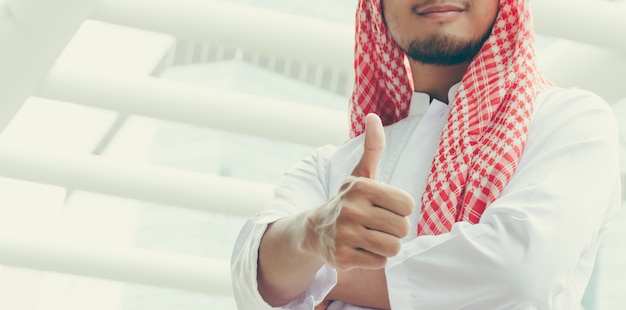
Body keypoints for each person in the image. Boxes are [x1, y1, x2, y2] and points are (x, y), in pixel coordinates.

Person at [231, 0, 621, 309]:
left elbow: (518, 274)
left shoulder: (569, 121)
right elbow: (253, 278)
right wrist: (316, 233)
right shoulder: (332, 165)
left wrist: (321, 276)